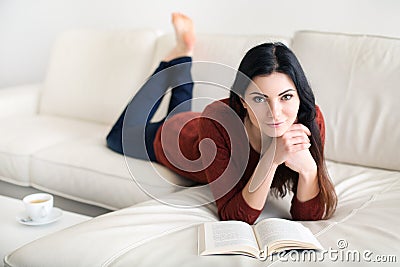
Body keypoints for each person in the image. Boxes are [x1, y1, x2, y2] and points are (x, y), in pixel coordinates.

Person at [106, 13, 337, 224]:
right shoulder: (216, 122)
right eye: (259, 99)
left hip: (199, 124)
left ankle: (183, 53)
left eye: (286, 97)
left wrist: (310, 172)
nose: (275, 113)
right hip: (175, 137)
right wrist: (271, 159)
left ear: (300, 96)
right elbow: (233, 215)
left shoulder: (310, 120)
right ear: (243, 101)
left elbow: (309, 216)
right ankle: (171, 61)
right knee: (118, 136)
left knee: (179, 111)